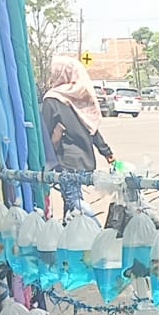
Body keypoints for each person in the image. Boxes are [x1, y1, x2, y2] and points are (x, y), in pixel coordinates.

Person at [41, 56, 115, 216]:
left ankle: (92, 231)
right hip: (86, 161)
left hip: (65, 162)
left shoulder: (52, 99)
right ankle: (73, 235)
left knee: (76, 206)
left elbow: (44, 135)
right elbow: (93, 129)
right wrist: (108, 154)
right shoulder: (82, 99)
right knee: (71, 207)